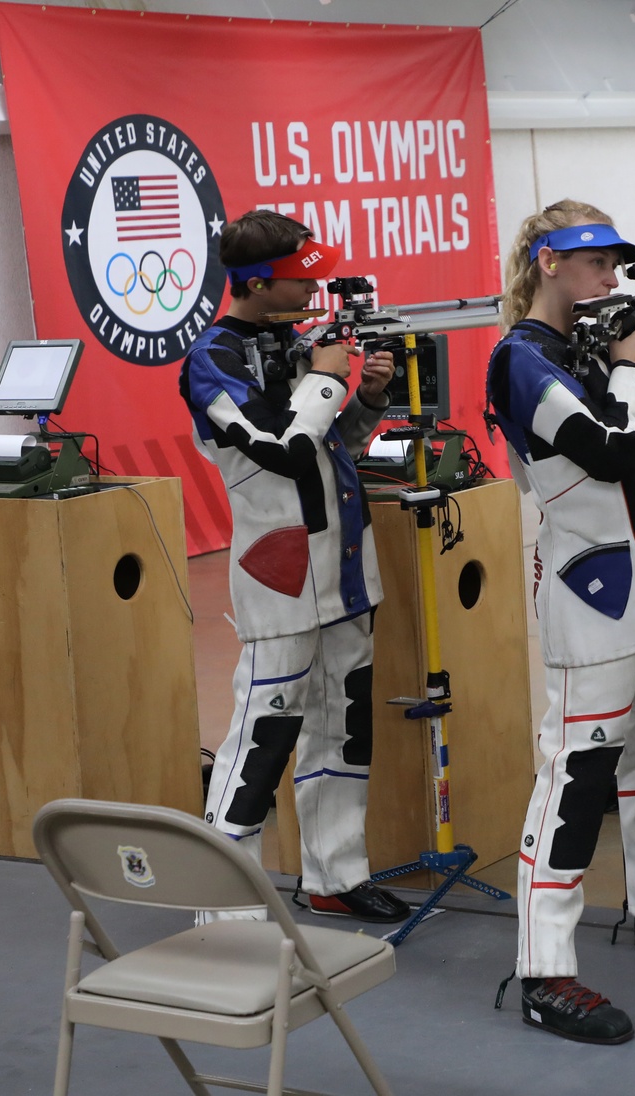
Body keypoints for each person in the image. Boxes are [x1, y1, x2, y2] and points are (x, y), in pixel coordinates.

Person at [486, 199, 635, 1043]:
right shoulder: (522, 360)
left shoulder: (598, 350)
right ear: (547, 262)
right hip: (598, 598)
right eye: (594, 263)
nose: (610, 278)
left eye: (616, 265)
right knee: (577, 780)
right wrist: (633, 363)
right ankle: (545, 972)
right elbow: (611, 446)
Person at [179, 209, 409, 924]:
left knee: (343, 726)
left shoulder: (297, 342)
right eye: (297, 279)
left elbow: (332, 442)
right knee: (264, 732)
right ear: (253, 283)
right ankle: (225, 901)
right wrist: (322, 379)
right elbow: (278, 447)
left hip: (342, 566)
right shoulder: (210, 358)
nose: (312, 289)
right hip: (278, 573)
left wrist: (364, 394)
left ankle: (334, 876)